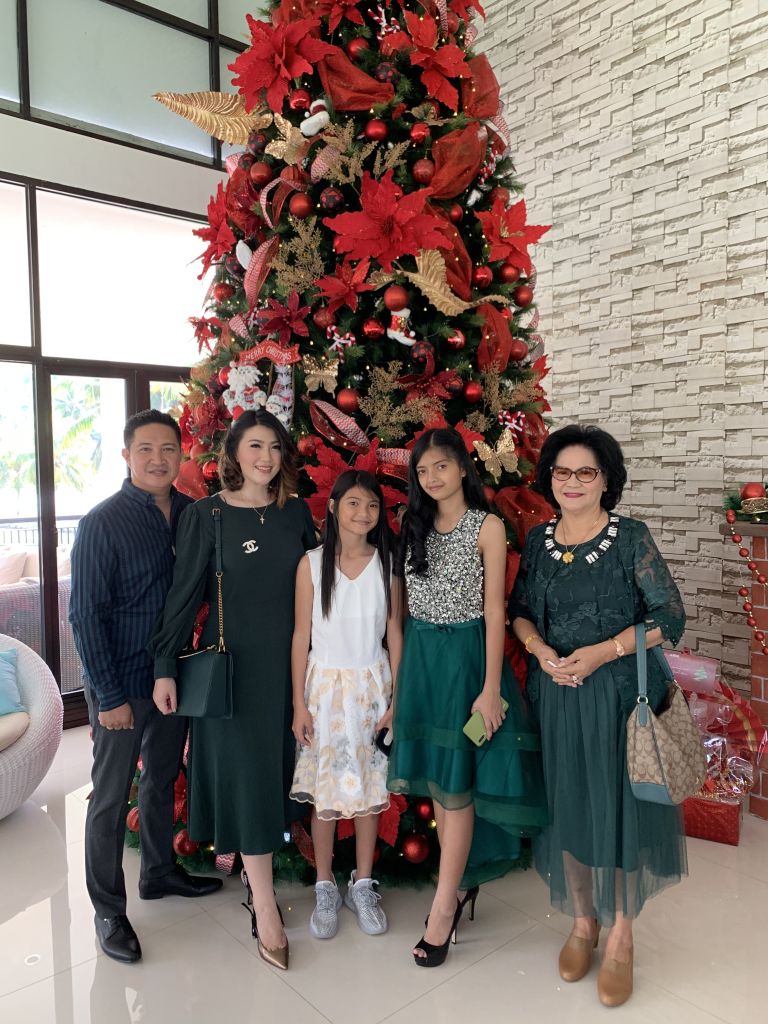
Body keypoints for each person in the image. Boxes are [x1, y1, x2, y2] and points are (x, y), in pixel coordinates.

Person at [510, 424, 688, 1008]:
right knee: (569, 806)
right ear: (549, 479)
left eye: (585, 471)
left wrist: (604, 651)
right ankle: (583, 920)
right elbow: (519, 611)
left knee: (619, 810)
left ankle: (621, 936)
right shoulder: (539, 541)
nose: (573, 482)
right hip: (558, 694)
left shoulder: (630, 537)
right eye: (562, 472)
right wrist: (540, 651)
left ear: (606, 479)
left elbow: (670, 616)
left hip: (619, 697)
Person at [150, 409, 316, 972]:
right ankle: (264, 905)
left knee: (280, 774)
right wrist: (164, 666)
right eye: (254, 446)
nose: (265, 457)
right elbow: (183, 595)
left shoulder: (296, 514)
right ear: (234, 454)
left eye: (274, 447)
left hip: (293, 672)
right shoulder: (208, 515)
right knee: (248, 779)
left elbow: (323, 587)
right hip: (235, 672)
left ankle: (255, 875)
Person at [388, 427, 546, 968]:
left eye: (441, 466)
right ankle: (456, 888)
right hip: (422, 665)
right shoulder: (411, 525)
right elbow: (399, 615)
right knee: (440, 782)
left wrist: (491, 689)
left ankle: (443, 907)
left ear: (462, 468)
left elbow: (496, 611)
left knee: (457, 787)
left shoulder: (488, 526)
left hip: (466, 665)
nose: (432, 477)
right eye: (422, 470)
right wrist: (399, 685)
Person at [70, 409, 222, 966]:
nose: (158, 459)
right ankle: (108, 910)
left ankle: (159, 872)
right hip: (121, 683)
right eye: (145, 449)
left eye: (168, 449)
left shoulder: (190, 513)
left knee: (160, 779)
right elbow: (84, 616)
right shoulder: (102, 522)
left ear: (182, 455)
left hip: (172, 676)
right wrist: (108, 697)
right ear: (126, 456)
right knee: (110, 799)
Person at [290, 470, 403, 941]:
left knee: (368, 791)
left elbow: (394, 631)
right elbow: (301, 635)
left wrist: (397, 698)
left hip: (371, 687)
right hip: (324, 692)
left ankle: (362, 883)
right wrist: (298, 705)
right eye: (353, 503)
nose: (363, 513)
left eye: (372, 505)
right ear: (334, 507)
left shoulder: (387, 564)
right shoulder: (312, 564)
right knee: (325, 793)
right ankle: (324, 884)